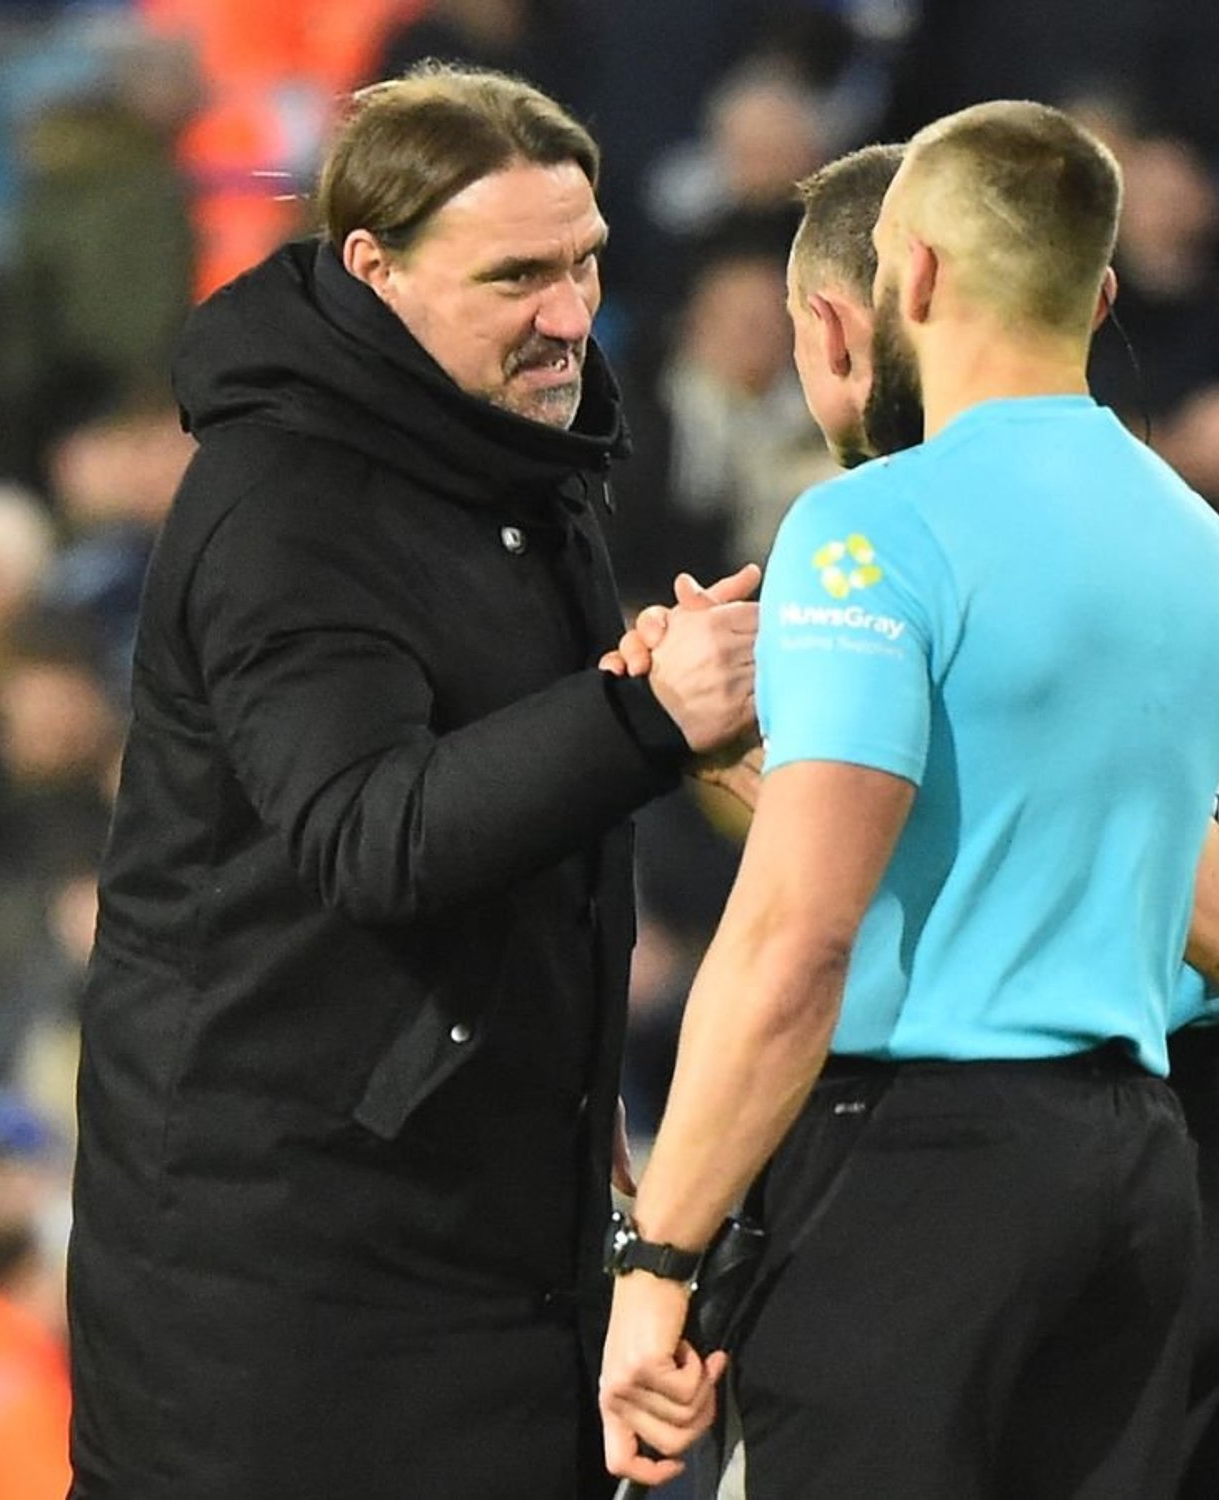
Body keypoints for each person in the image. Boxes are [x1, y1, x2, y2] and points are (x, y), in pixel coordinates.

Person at [605, 126, 1219, 1497]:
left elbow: (796, 936)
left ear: (907, 276)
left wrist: (658, 1257)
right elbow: (1105, 820)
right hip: (1150, 1160)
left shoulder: (871, 529)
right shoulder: (1201, 544)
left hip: (919, 1160)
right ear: (1098, 296)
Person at [66, 65, 755, 1500]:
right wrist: (642, 717)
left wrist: (580, 1130)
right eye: (516, 277)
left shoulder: (510, 452)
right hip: (288, 1295)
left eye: (584, 264)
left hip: (482, 1232)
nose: (569, 316)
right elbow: (369, 832)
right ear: (373, 268)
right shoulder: (285, 504)